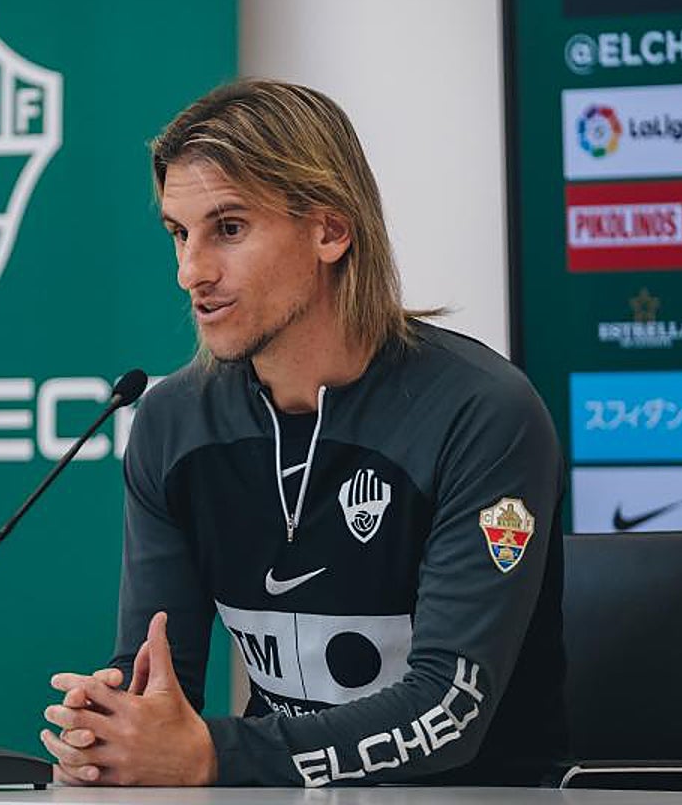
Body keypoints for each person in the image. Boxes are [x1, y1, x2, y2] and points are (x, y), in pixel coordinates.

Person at [40, 79, 566, 788]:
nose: (190, 271)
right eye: (178, 233)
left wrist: (211, 756)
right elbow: (156, 678)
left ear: (330, 229)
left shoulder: (482, 413)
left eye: (228, 228)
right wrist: (110, 730)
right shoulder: (172, 421)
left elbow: (449, 712)